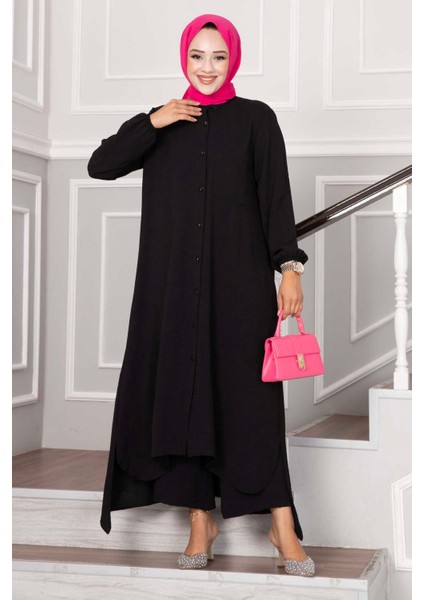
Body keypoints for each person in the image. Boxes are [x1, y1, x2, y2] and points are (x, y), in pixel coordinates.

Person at [87, 13, 315, 577]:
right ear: (183, 58)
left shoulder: (256, 119)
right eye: (197, 56)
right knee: (184, 396)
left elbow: (275, 199)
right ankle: (199, 521)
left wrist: (289, 268)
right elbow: (100, 165)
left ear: (232, 59)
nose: (207, 68)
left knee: (251, 401)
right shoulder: (162, 122)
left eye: (218, 56)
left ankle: (282, 523)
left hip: (239, 286)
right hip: (170, 288)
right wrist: (153, 120)